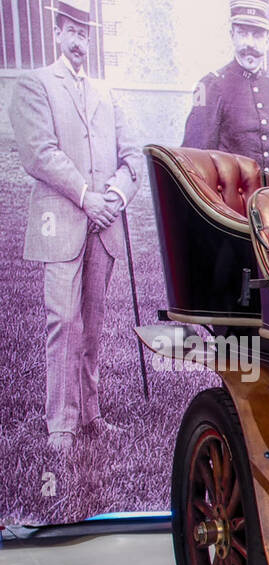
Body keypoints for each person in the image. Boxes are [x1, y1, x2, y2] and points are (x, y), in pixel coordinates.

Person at [9, 0, 142, 454]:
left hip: (102, 226)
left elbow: (132, 159)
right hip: (63, 222)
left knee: (94, 324)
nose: (79, 41)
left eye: (86, 34)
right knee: (63, 322)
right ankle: (60, 426)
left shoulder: (106, 92)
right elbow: (39, 154)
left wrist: (115, 198)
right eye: (71, 31)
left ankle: (90, 413)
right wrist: (87, 198)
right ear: (57, 33)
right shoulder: (35, 85)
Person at [182, 0, 269, 177]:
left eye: (257, 35)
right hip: (230, 200)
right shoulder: (208, 86)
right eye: (242, 34)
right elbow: (194, 156)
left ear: (268, 40)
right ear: (232, 35)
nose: (249, 44)